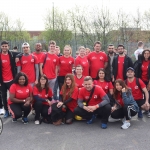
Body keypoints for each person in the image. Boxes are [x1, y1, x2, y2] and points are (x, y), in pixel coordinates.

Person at [0, 41, 18, 117]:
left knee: (12, 96)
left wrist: (18, 57)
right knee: (4, 96)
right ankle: (6, 110)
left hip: (11, 80)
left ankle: (12, 110)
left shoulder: (12, 54)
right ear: (1, 47)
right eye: (3, 46)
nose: (4, 47)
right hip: (2, 81)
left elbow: (21, 53)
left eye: (6, 46)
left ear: (8, 47)